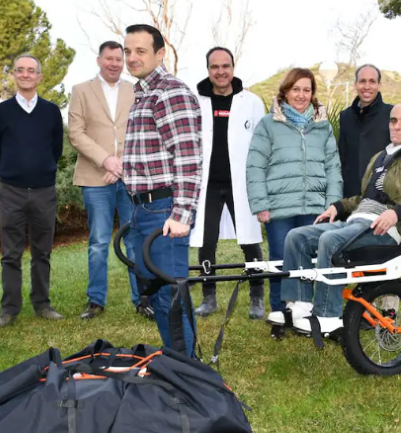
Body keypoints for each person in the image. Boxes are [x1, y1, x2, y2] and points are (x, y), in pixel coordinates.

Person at [268, 103, 401, 333]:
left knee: (330, 241)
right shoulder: (379, 157)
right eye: (393, 120)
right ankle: (300, 305)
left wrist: (397, 212)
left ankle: (327, 315)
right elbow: (365, 198)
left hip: (386, 229)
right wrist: (338, 206)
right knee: (296, 237)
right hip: (358, 221)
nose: (397, 126)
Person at [122, 24, 201, 355]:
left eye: (141, 51)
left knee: (170, 293)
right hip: (143, 209)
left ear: (159, 53)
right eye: (128, 51)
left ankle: (188, 374)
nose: (132, 57)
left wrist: (182, 213)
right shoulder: (143, 94)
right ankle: (176, 362)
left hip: (164, 210)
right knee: (156, 291)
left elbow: (188, 156)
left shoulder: (171, 92)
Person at [68, 40, 154, 321]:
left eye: (120, 58)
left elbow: (145, 131)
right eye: (110, 58)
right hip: (96, 177)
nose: (115, 63)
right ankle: (95, 301)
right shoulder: (81, 90)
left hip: (131, 178)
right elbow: (76, 133)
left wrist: (122, 166)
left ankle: (142, 298)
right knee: (99, 240)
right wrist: (105, 160)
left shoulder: (136, 90)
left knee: (135, 239)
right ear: (99, 60)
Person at [246, 68, 343, 317]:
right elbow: (255, 165)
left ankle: (303, 310)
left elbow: (333, 167)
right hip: (279, 208)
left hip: (314, 207)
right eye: (296, 89)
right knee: (280, 259)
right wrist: (260, 204)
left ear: (313, 94)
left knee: (310, 261)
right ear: (286, 91)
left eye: (307, 90)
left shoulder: (322, 127)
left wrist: (333, 203)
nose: (301, 95)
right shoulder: (268, 124)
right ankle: (280, 311)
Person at [0, 55, 65, 328]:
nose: (26, 74)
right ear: (14, 76)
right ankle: (9, 309)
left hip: (44, 191)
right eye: (20, 70)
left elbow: (57, 149)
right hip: (12, 192)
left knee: (42, 252)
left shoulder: (52, 111)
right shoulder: (1, 112)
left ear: (40, 77)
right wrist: (10, 171)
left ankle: (42, 304)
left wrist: (42, 170)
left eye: (31, 71)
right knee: (11, 254)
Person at [190, 47, 267, 319]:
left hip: (241, 184)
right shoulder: (196, 101)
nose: (220, 71)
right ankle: (208, 296)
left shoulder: (252, 102)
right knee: (206, 241)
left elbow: (262, 145)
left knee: (250, 239)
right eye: (214, 67)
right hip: (208, 184)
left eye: (226, 65)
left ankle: (257, 297)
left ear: (233, 67)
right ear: (208, 69)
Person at [338, 64, 393, 198]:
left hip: (381, 198)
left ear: (379, 85)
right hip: (349, 197)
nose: (367, 87)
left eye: (372, 81)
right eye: (362, 81)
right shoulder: (345, 116)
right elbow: (341, 158)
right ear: (355, 84)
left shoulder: (392, 114)